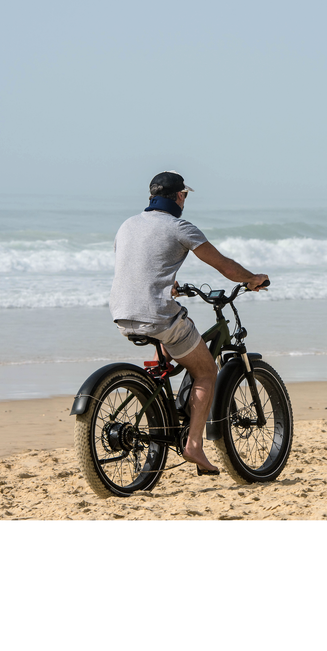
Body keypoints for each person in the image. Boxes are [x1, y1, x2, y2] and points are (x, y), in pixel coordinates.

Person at [109, 170, 269, 476]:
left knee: (177, 340)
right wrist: (252, 279)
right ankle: (193, 445)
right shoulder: (180, 226)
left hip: (121, 311)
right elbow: (224, 265)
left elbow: (137, 265)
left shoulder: (127, 225)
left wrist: (167, 283)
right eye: (185, 196)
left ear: (151, 198)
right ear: (180, 197)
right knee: (207, 370)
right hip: (156, 314)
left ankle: (162, 396)